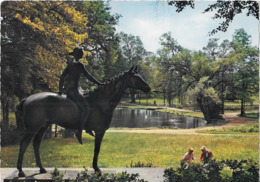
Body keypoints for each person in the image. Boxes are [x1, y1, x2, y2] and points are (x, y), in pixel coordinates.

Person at [59, 47, 103, 144]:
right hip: (73, 91)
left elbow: (62, 77)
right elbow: (89, 77)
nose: (81, 56)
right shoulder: (79, 65)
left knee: (86, 103)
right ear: (76, 55)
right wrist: (99, 83)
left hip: (74, 90)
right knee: (86, 108)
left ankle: (87, 128)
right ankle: (79, 131)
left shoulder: (70, 65)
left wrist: (60, 90)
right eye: (80, 54)